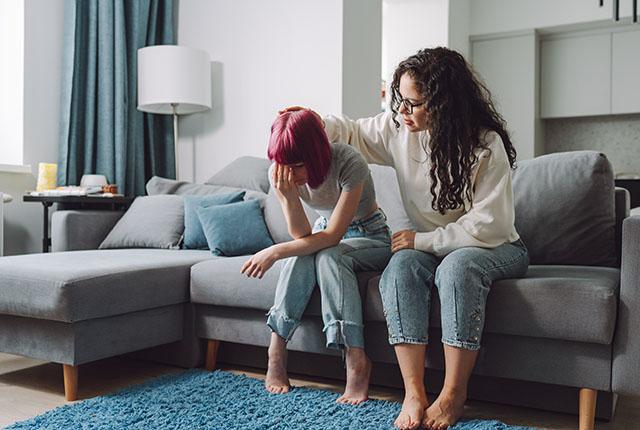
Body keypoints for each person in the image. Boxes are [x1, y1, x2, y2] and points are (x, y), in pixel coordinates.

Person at [282, 47, 530, 430]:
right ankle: (413, 392)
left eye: (413, 104)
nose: (402, 112)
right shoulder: (399, 129)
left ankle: (453, 395)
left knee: (457, 268)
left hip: (494, 247)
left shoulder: (485, 144)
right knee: (399, 269)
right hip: (429, 246)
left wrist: (424, 241)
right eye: (399, 101)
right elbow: (350, 131)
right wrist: (313, 124)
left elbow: (489, 225)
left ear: (445, 104)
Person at [241, 109, 393, 405]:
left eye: (298, 166)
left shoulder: (348, 162)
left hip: (369, 234)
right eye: (285, 166)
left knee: (328, 256)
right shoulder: (282, 173)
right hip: (324, 234)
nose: (292, 175)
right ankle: (276, 351)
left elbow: (333, 237)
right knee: (303, 256)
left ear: (316, 153)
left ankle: (356, 359)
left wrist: (274, 251)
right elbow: (302, 234)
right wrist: (287, 196)